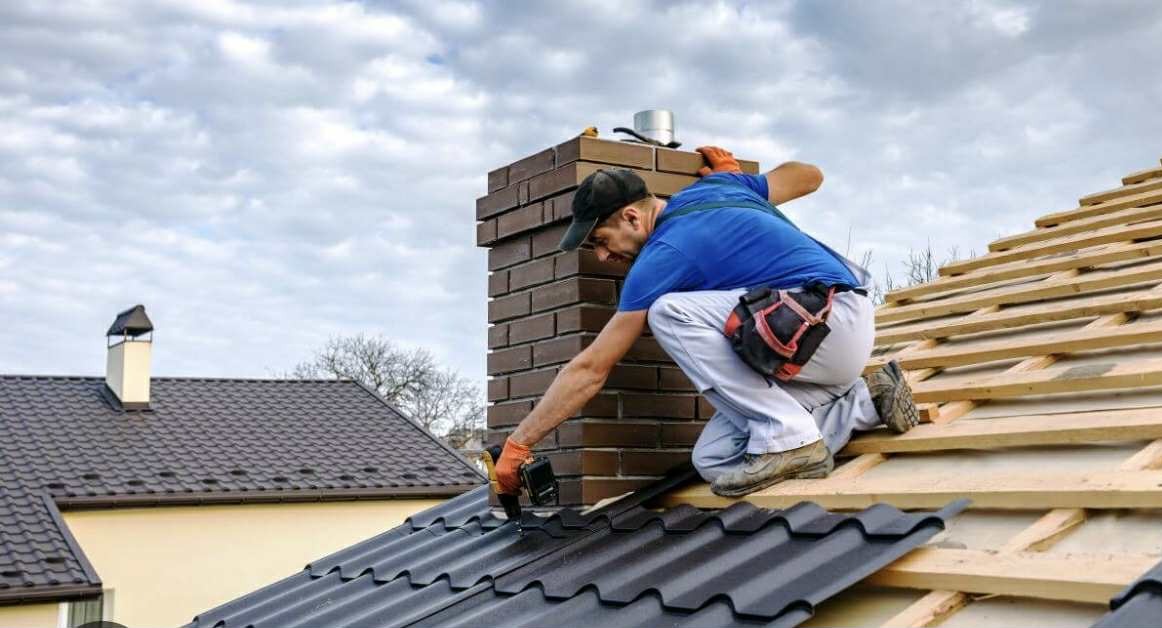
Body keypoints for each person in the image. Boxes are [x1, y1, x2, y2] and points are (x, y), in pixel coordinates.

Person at [494, 146, 918, 498]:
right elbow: (810, 175)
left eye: (601, 241)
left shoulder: (662, 257)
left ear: (631, 217)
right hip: (820, 346)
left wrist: (520, 442)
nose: (603, 257)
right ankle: (867, 401)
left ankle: (791, 437)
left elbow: (591, 369)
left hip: (827, 321)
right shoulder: (721, 186)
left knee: (669, 311)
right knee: (714, 460)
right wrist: (744, 184)